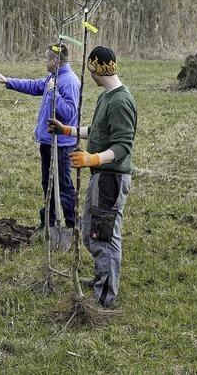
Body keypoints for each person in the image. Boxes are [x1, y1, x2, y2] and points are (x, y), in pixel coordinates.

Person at [48, 46, 137, 308]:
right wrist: (67, 129)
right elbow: (96, 131)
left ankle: (105, 296)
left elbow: (123, 147)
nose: (91, 76)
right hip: (100, 176)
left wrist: (92, 158)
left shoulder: (121, 102)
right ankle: (102, 277)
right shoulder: (107, 97)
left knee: (104, 235)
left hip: (111, 179)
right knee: (90, 232)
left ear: (100, 68)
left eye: (91, 70)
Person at [0, 43, 79, 248]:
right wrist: (7, 81)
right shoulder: (53, 78)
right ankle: (48, 222)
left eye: (47, 58)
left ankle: (72, 228)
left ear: (55, 60)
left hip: (62, 144)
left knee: (63, 186)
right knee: (48, 183)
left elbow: (70, 113)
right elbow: (36, 86)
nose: (45, 62)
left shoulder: (69, 81)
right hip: (48, 142)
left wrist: (54, 93)